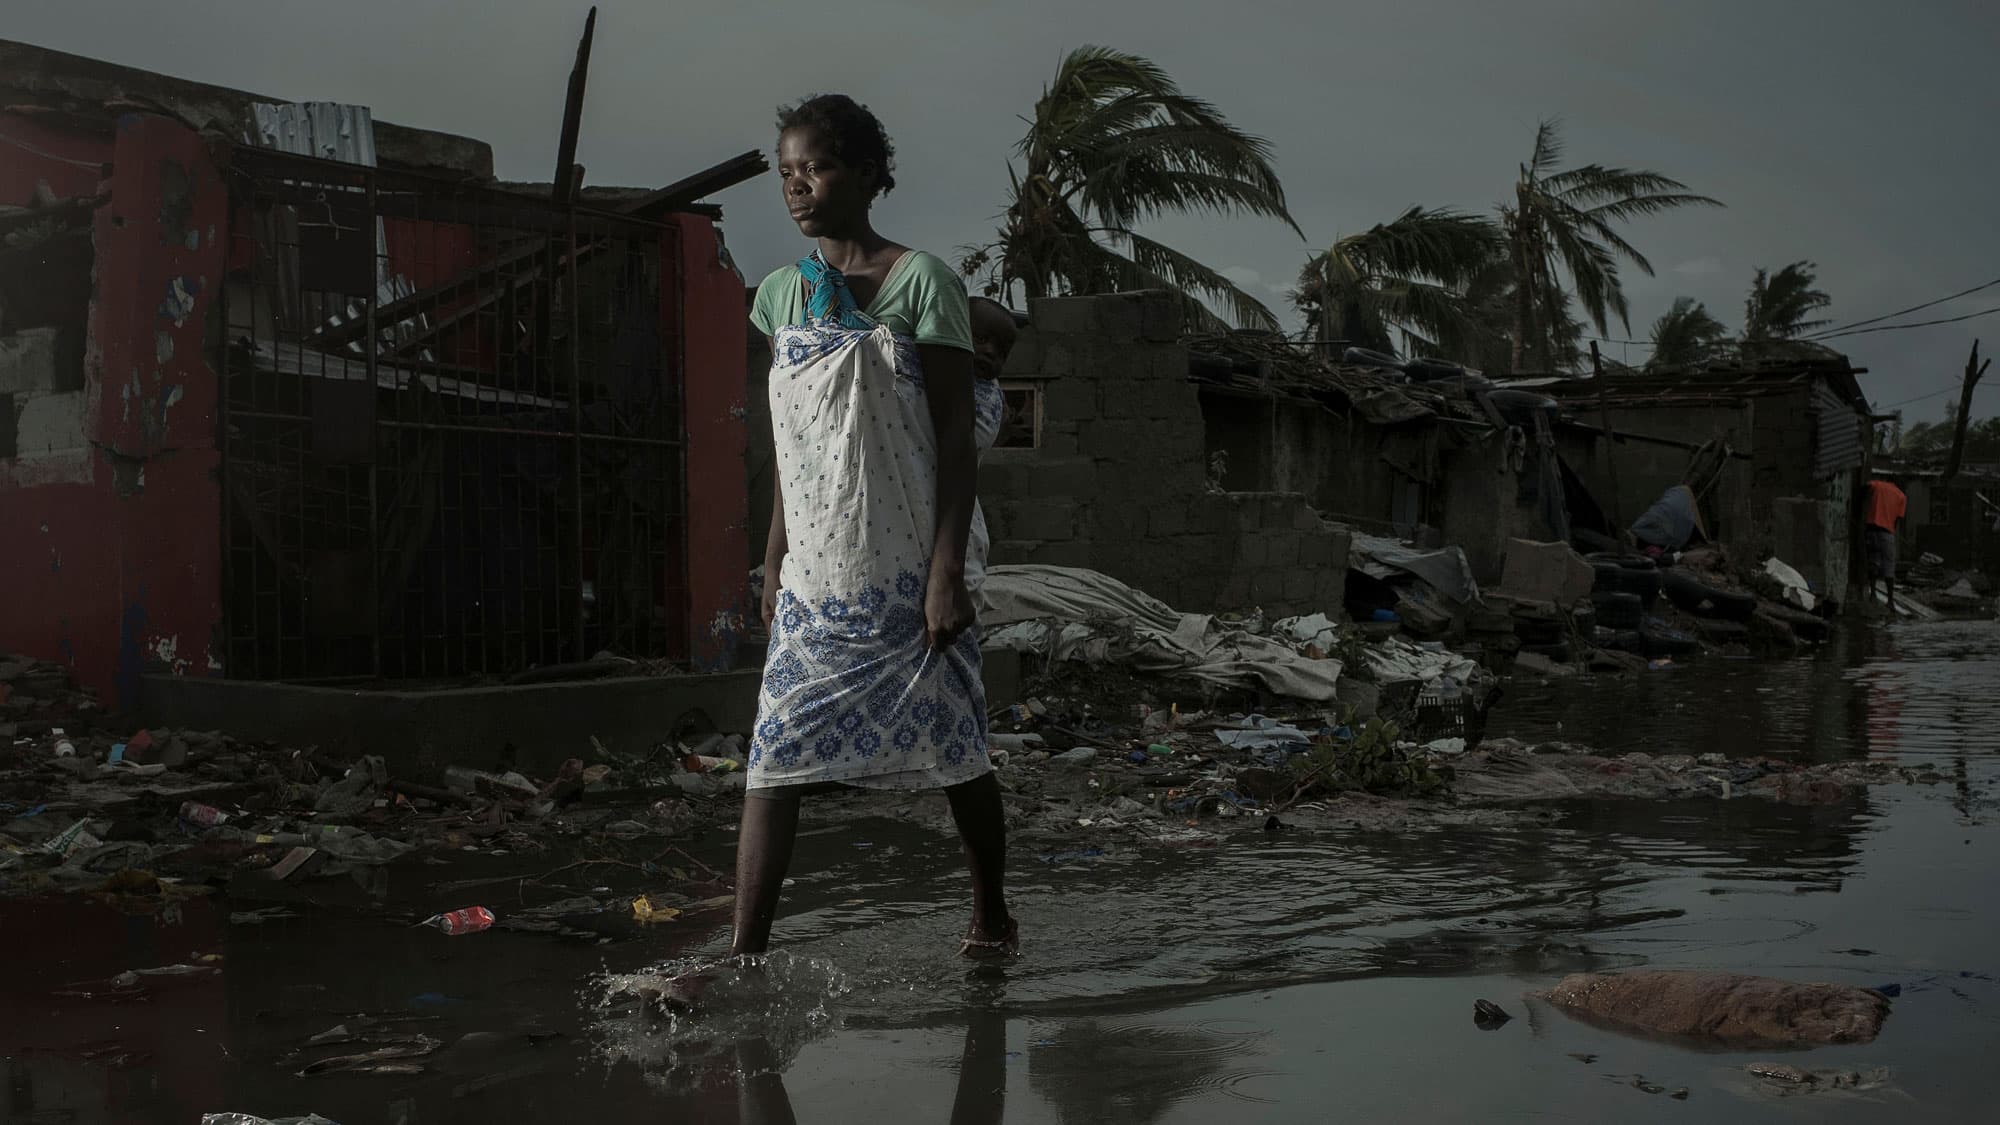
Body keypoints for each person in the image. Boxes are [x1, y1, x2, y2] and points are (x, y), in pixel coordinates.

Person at [735, 93, 1016, 965]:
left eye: (813, 167)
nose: (797, 187)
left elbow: (953, 445)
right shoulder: (781, 297)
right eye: (785, 173)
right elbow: (795, 444)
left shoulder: (922, 282)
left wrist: (946, 574)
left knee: (958, 751)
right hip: (820, 574)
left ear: (863, 171)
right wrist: (773, 559)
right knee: (772, 758)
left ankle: (991, 913)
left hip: (906, 573)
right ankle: (743, 954)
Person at [1863, 475, 1907, 611]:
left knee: (1873, 561)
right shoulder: (1901, 496)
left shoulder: (1878, 485)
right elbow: (1897, 520)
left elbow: (1866, 485)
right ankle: (1890, 600)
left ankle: (1873, 594)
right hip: (1887, 533)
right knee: (1889, 565)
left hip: (1870, 530)